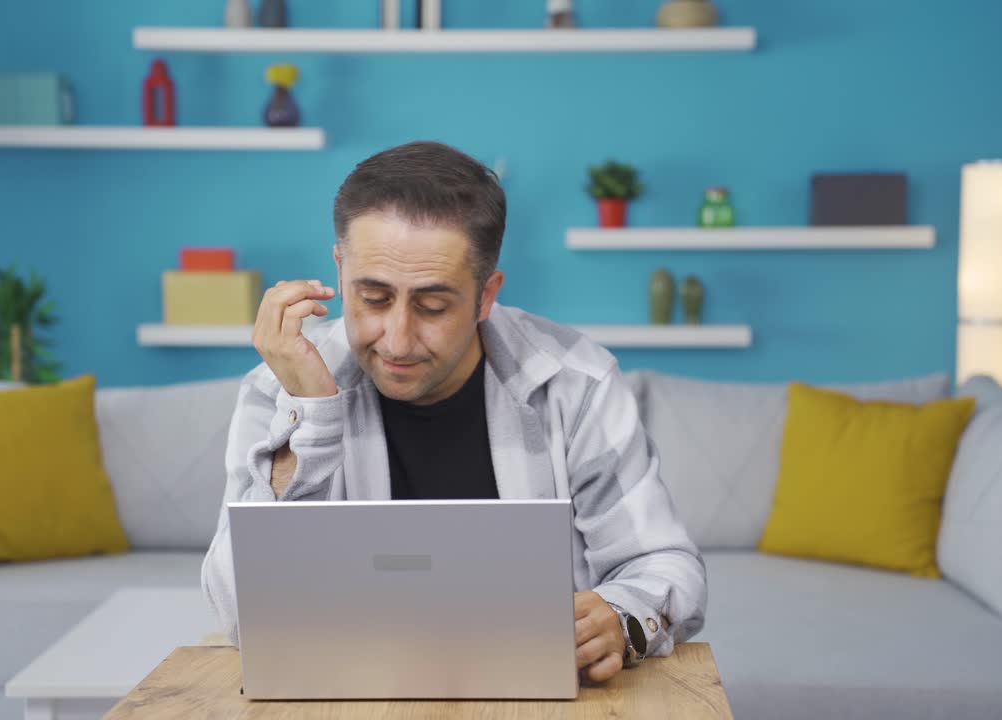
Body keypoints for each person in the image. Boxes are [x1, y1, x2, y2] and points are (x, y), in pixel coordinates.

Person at [202, 141, 707, 683]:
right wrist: (311, 416)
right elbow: (239, 614)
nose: (396, 338)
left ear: (486, 296)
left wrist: (620, 620)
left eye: (433, 306)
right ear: (339, 269)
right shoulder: (279, 386)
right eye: (372, 298)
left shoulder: (576, 383)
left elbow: (665, 564)